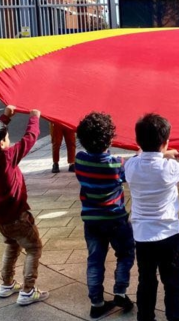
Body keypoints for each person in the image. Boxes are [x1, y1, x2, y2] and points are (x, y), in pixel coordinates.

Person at [124, 114, 179, 321]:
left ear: (138, 141)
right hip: (168, 235)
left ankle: (145, 317)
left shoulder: (130, 167)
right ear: (166, 142)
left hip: (142, 237)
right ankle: (173, 316)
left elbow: (140, 156)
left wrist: (164, 153)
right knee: (173, 281)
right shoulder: (171, 168)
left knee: (146, 281)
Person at [0, 105, 49, 306]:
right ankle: (28, 290)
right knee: (33, 248)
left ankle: (6, 284)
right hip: (18, 216)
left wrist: (5, 117)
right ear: (1, 143)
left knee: (12, 245)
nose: (9, 141)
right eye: (6, 138)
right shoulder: (7, 157)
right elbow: (29, 138)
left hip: (0, 217)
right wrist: (34, 118)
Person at [75, 112, 135, 318]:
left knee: (95, 260)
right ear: (110, 138)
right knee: (126, 253)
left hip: (91, 220)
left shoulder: (80, 160)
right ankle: (120, 291)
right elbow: (128, 172)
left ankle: (97, 303)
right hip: (116, 218)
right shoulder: (117, 164)